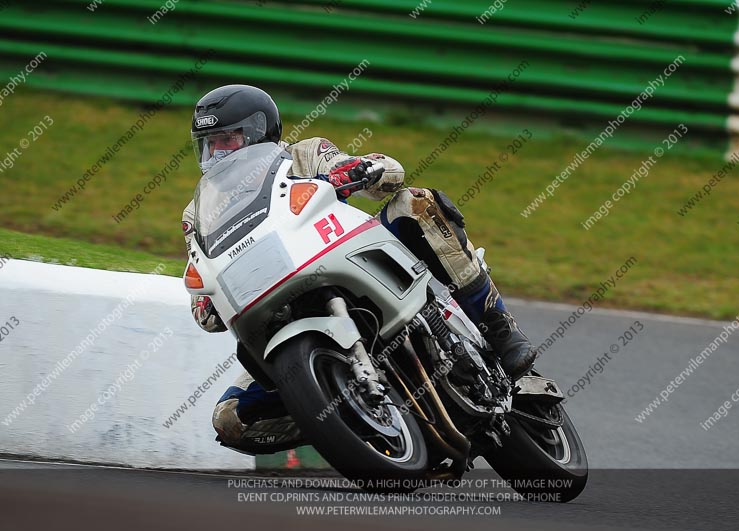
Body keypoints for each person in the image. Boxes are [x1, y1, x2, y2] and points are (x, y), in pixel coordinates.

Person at [182, 84, 537, 454]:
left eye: (227, 139)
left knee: (415, 203)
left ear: (259, 131)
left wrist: (360, 171)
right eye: (209, 143)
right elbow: (201, 284)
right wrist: (207, 301)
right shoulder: (198, 214)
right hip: (282, 312)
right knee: (231, 419)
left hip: (339, 259)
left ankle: (498, 326)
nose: (217, 152)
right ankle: (348, 421)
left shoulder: (303, 155)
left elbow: (389, 173)